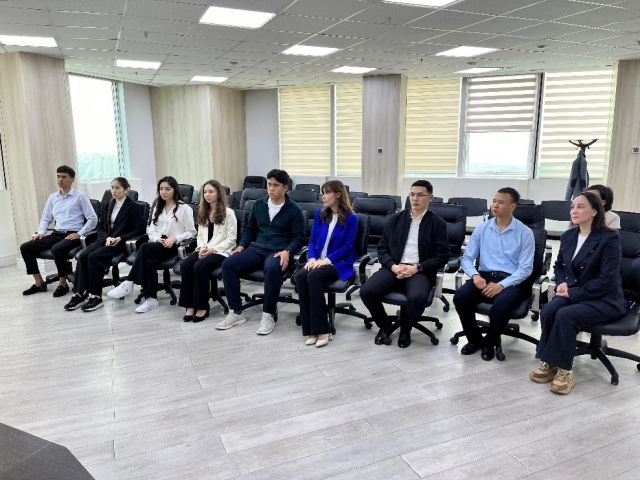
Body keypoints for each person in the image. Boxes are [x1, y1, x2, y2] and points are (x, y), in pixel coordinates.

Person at [531, 191, 626, 395]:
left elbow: (607, 280)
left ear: (595, 211)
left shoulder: (609, 239)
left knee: (566, 315)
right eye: (573, 207)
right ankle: (550, 363)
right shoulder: (569, 236)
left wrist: (573, 293)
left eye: (580, 207)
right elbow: (560, 266)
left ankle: (565, 370)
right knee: (549, 310)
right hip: (574, 292)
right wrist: (562, 283)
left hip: (605, 299)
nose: (574, 211)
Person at [360, 180, 450, 348]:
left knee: (418, 298)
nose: (415, 199)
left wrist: (417, 268)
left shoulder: (438, 223)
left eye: (420, 195)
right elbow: (382, 248)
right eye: (412, 194)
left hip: (419, 270)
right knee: (367, 291)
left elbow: (442, 256)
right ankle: (385, 325)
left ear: (430, 198)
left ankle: (405, 329)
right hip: (394, 267)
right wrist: (393, 266)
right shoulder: (396, 219)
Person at [216, 169, 305, 335]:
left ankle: (268, 314)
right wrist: (242, 245)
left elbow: (299, 238)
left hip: (278, 251)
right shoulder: (258, 205)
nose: (271, 188)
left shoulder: (294, 210)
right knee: (228, 264)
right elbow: (250, 229)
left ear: (285, 188)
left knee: (271, 268)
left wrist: (287, 251)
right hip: (257, 248)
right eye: (269, 184)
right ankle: (236, 312)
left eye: (276, 185)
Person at [453, 187, 535, 361]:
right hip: (484, 275)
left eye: (501, 202)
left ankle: (489, 342)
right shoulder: (482, 228)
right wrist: (475, 276)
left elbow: (525, 268)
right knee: (460, 298)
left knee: (502, 304)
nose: (495, 206)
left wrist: (501, 285)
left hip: (511, 280)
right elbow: (466, 258)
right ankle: (474, 340)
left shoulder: (525, 233)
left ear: (513, 206)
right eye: (494, 201)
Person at [106, 176, 196, 313]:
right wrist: (157, 238)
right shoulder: (158, 206)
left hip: (175, 246)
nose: (163, 192)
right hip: (159, 244)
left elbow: (191, 232)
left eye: (167, 189)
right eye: (161, 189)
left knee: (144, 248)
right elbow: (151, 230)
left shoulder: (184, 208)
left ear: (174, 190)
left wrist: (175, 238)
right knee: (147, 260)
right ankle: (151, 300)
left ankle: (129, 282)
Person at [64, 177, 145, 312]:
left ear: (126, 190)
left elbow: (140, 229)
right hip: (104, 240)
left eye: (117, 188)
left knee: (93, 257)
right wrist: (106, 237)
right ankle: (79, 293)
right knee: (83, 256)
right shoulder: (107, 205)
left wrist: (120, 238)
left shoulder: (134, 207)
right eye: (112, 187)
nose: (114, 190)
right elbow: (100, 226)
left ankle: (96, 297)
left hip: (120, 243)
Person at [293, 180, 357, 348]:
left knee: (313, 277)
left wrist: (326, 261)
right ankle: (310, 330)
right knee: (300, 276)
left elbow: (347, 247)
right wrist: (312, 258)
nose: (324, 196)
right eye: (323, 193)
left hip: (337, 263)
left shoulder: (351, 219)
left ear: (338, 194)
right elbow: (312, 240)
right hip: (317, 260)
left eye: (327, 193)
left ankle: (323, 330)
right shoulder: (320, 215)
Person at [20, 165, 98, 298]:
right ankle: (39, 282)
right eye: (58, 177)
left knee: (57, 249)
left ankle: (63, 283)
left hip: (73, 234)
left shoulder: (80, 197)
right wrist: (41, 232)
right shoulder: (53, 198)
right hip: (57, 233)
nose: (60, 180)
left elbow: (93, 219)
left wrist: (79, 233)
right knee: (26, 247)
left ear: (72, 179)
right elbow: (46, 218)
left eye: (64, 177)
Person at [179, 180, 237, 323]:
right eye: (205, 192)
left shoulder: (229, 213)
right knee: (185, 265)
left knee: (200, 266)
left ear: (218, 193)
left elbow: (231, 239)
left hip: (221, 252)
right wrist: (202, 248)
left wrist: (212, 249)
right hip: (204, 249)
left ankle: (202, 306)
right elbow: (199, 236)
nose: (207, 195)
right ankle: (189, 305)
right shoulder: (203, 211)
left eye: (211, 192)